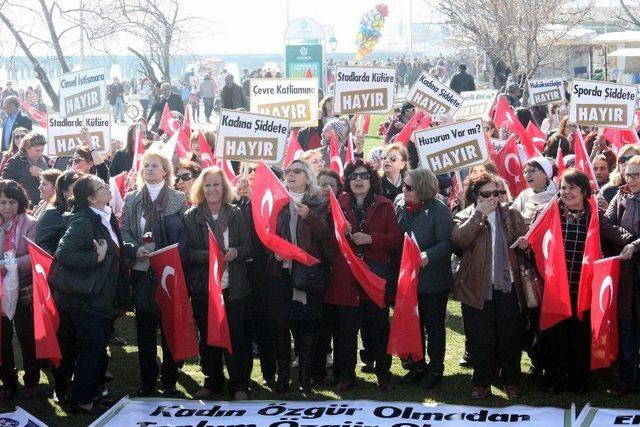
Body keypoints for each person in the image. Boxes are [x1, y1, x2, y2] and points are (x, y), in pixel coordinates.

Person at [54, 175, 147, 412]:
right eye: (102, 187)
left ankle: (92, 394)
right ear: (91, 197)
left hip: (102, 296)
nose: (107, 188)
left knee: (97, 349)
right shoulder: (84, 221)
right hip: (87, 299)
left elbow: (114, 246)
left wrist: (135, 250)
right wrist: (96, 257)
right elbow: (64, 253)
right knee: (91, 349)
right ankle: (81, 401)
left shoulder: (103, 215)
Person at [540, 169, 635, 395]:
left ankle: (579, 380)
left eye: (572, 188)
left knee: (581, 336)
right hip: (556, 289)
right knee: (555, 335)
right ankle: (554, 378)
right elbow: (533, 237)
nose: (567, 192)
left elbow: (616, 234)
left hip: (584, 288)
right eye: (563, 187)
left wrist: (634, 242)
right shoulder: (548, 212)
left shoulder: (595, 215)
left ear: (584, 191)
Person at [325, 159, 402, 392]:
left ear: (372, 180)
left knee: (378, 329)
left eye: (363, 176)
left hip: (373, 277)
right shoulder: (338, 204)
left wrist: (372, 239)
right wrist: (341, 231)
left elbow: (396, 239)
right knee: (345, 332)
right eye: (354, 176)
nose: (358, 180)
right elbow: (328, 241)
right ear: (348, 181)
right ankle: (346, 376)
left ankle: (383, 374)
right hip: (346, 278)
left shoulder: (385, 204)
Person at [451, 173, 529, 399]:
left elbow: (525, 243)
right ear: (475, 196)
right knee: (479, 338)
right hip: (476, 288)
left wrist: (525, 245)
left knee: (510, 336)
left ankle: (511, 380)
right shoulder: (464, 216)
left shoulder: (511, 214)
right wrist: (478, 215)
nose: (493, 198)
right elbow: (459, 240)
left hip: (509, 287)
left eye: (497, 193)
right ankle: (482, 382)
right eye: (487, 194)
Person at [120, 148, 189, 396]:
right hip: (141, 269)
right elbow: (124, 231)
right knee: (145, 329)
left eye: (154, 166)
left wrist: (168, 253)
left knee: (169, 324)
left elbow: (184, 234)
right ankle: (148, 381)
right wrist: (134, 248)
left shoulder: (178, 199)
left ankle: (170, 377)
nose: (149, 169)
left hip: (168, 271)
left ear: (165, 171)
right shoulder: (131, 199)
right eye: (145, 166)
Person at [183, 167, 253, 400]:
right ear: (201, 189)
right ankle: (213, 382)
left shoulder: (237, 214)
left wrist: (235, 252)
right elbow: (189, 253)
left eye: (216, 185)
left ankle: (239, 384)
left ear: (224, 188)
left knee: (237, 337)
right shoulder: (191, 217)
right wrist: (211, 256)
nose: (212, 189)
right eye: (207, 185)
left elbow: (248, 247)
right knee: (209, 336)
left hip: (234, 288)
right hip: (205, 288)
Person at [264, 159, 332, 393]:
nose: (291, 175)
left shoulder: (320, 202)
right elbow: (265, 233)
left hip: (308, 275)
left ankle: (304, 376)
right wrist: (273, 249)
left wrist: (309, 217)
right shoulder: (276, 201)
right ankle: (283, 376)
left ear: (308, 177)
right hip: (280, 274)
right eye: (288, 171)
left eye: (297, 171)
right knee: (280, 326)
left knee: (307, 327)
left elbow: (328, 238)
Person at [394, 168, 453, 389]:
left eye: (408, 187)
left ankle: (435, 369)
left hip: (432, 279)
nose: (404, 190)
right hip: (407, 279)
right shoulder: (400, 203)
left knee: (434, 325)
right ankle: (417, 366)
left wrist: (428, 255)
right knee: (413, 323)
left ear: (422, 188)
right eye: (404, 185)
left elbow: (448, 243)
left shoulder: (439, 210)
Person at [604, 155, 640, 396]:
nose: (632, 179)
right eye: (628, 174)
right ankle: (628, 379)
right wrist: (628, 240)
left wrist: (636, 245)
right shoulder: (620, 195)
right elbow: (606, 225)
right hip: (626, 274)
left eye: (637, 174)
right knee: (627, 325)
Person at [0, 180, 38, 400]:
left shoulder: (31, 223)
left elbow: (33, 255)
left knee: (26, 337)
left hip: (24, 288)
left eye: (11, 201)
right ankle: (8, 381)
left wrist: (10, 264)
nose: (7, 207)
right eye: (3, 202)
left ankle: (31, 380)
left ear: (20, 201)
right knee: (3, 338)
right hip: (0, 290)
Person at [1, 131, 49, 207]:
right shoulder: (15, 162)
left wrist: (42, 173)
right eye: (37, 151)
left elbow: (56, 183)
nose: (40, 153)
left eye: (42, 150)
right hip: (24, 206)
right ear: (27, 148)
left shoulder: (46, 160)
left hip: (44, 205)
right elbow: (4, 185)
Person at [511, 157, 558, 226]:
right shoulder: (524, 195)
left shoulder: (558, 193)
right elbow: (512, 214)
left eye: (531, 171)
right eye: (525, 172)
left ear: (545, 173)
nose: (527, 175)